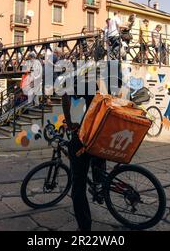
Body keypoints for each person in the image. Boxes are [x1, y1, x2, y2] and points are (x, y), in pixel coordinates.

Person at [62, 69, 106, 232]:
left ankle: (84, 228)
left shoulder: (84, 84)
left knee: (78, 184)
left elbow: (65, 96)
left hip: (85, 137)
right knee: (98, 158)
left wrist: (69, 121)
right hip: (100, 134)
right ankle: (100, 186)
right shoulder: (98, 85)